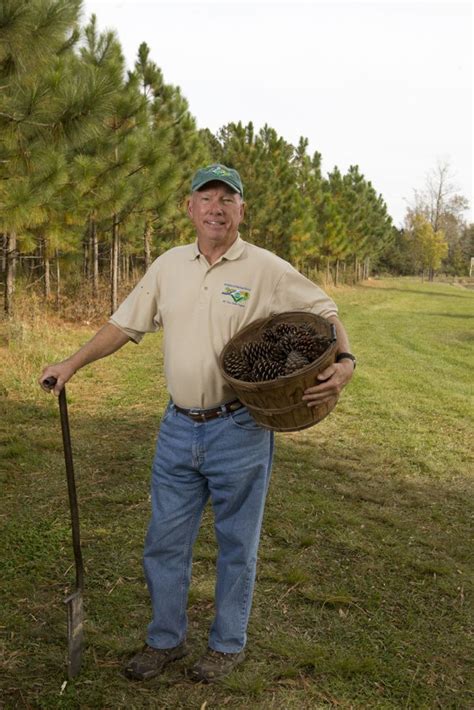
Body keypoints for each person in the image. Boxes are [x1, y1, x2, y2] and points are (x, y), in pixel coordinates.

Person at [39, 163, 356, 683]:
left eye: (227, 200)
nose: (216, 208)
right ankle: (165, 640)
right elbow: (124, 323)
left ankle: (226, 645)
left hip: (240, 429)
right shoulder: (168, 266)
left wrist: (345, 363)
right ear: (189, 208)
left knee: (237, 543)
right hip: (178, 428)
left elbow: (325, 311)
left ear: (241, 211)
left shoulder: (266, 268)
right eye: (206, 198)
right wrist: (71, 364)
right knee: (164, 540)